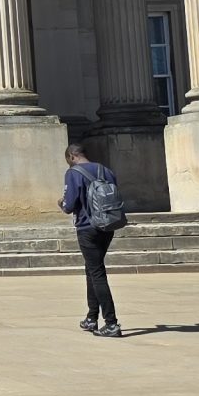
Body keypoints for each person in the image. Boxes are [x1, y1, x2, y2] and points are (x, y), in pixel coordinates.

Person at [60, 143, 122, 337]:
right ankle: (91, 317)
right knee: (92, 269)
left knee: (97, 272)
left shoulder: (73, 173)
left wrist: (61, 204)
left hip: (87, 227)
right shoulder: (106, 170)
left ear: (72, 156)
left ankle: (111, 323)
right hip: (108, 225)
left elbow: (69, 205)